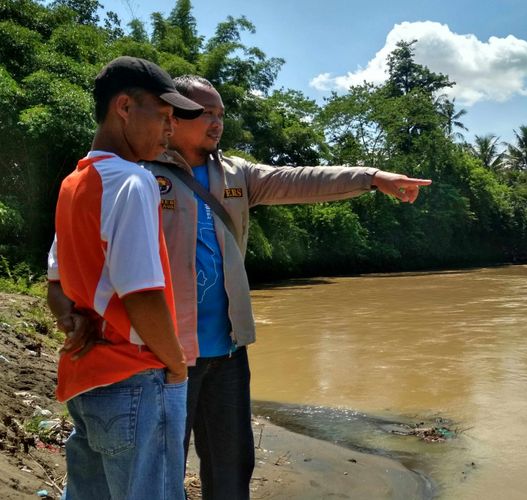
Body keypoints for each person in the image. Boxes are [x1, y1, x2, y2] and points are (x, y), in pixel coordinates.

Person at [148, 75, 430, 499]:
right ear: (175, 112)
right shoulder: (146, 173)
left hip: (227, 350)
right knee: (161, 464)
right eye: (207, 112)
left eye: (221, 114)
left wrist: (372, 177)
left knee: (232, 465)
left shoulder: (236, 175)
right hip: (167, 352)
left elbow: (301, 179)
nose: (216, 122)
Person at [46, 56, 204, 499]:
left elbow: (55, 282)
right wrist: (175, 364)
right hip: (136, 376)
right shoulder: (133, 181)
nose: (170, 130)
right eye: (164, 116)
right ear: (124, 107)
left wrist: (70, 319)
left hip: (87, 379)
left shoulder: (74, 184)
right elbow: (142, 295)